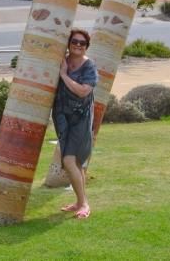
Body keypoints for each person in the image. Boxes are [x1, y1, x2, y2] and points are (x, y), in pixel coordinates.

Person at [52, 28, 99, 219]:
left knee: (68, 160)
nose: (78, 45)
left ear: (86, 46)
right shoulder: (62, 60)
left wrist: (64, 76)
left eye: (82, 43)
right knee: (76, 162)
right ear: (69, 43)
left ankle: (83, 204)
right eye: (75, 41)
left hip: (81, 118)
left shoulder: (89, 66)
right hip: (63, 116)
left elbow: (82, 92)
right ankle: (80, 201)